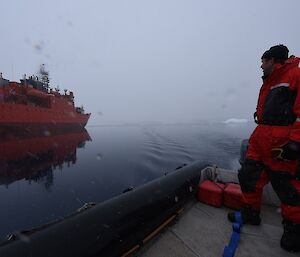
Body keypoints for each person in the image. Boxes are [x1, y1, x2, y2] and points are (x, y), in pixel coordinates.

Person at [228, 44, 300, 252]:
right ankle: (251, 212)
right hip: (261, 137)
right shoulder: (269, 82)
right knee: (249, 175)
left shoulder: (295, 75)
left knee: (287, 187)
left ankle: (294, 227)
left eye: (263, 61)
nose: (260, 65)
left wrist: (295, 142)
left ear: (272, 60)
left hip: (282, 140)